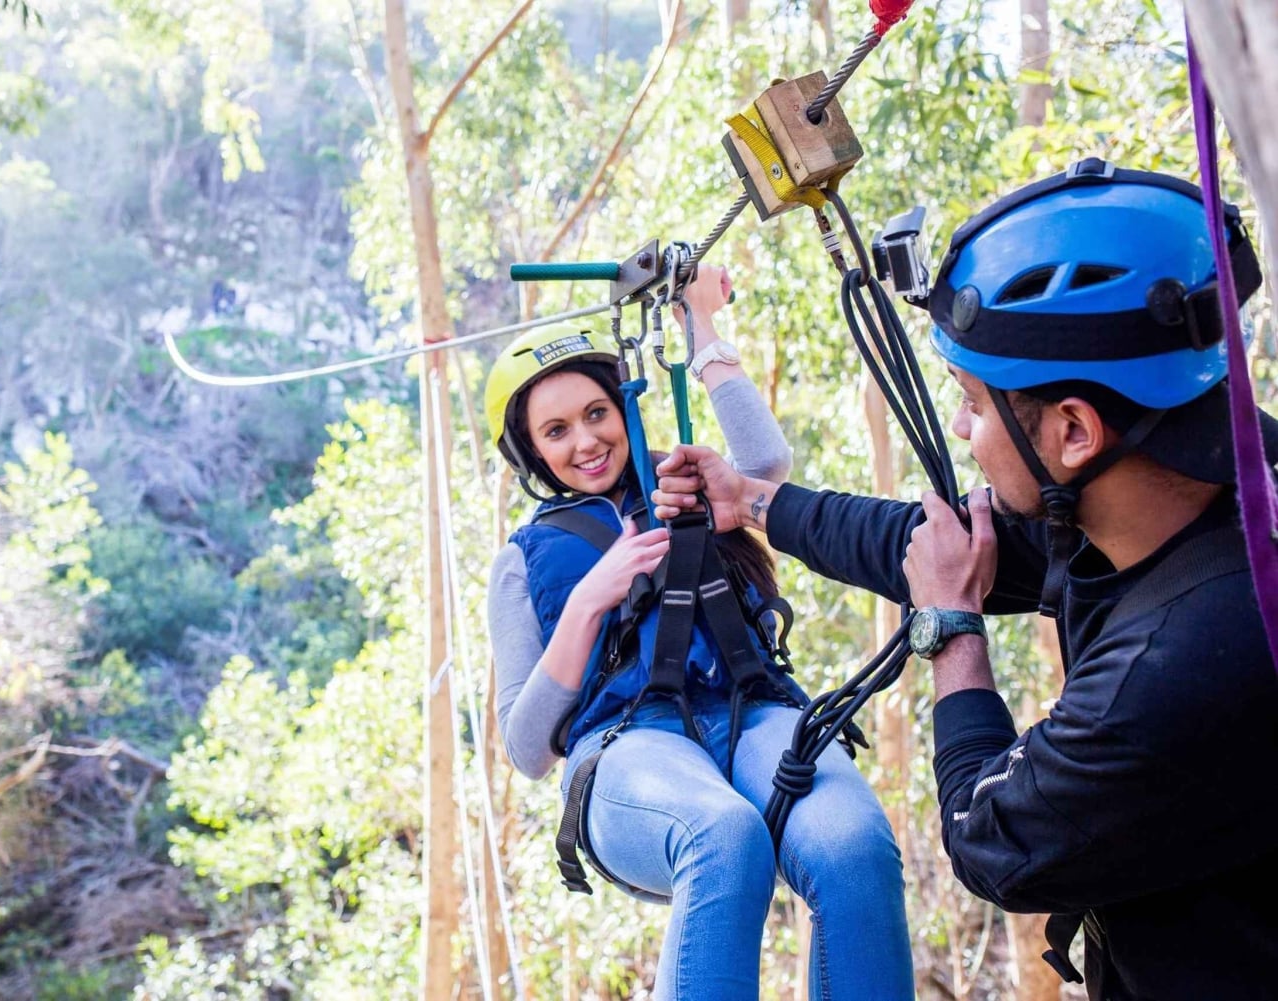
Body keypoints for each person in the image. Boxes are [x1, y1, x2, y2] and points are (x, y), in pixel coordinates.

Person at [651, 161, 1278, 1000]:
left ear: (1074, 431)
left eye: (973, 404)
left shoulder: (1174, 672)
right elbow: (931, 542)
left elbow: (993, 840)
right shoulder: (1191, 485)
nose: (961, 429)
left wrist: (952, 629)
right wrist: (752, 499)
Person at [485, 265, 913, 1000]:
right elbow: (526, 748)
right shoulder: (523, 562)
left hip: (756, 715)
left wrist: (702, 327)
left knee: (854, 849)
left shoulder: (685, 483)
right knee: (723, 835)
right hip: (627, 746)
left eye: (597, 412)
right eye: (556, 430)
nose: (585, 440)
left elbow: (765, 465)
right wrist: (592, 597)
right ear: (532, 453)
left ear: (625, 407)